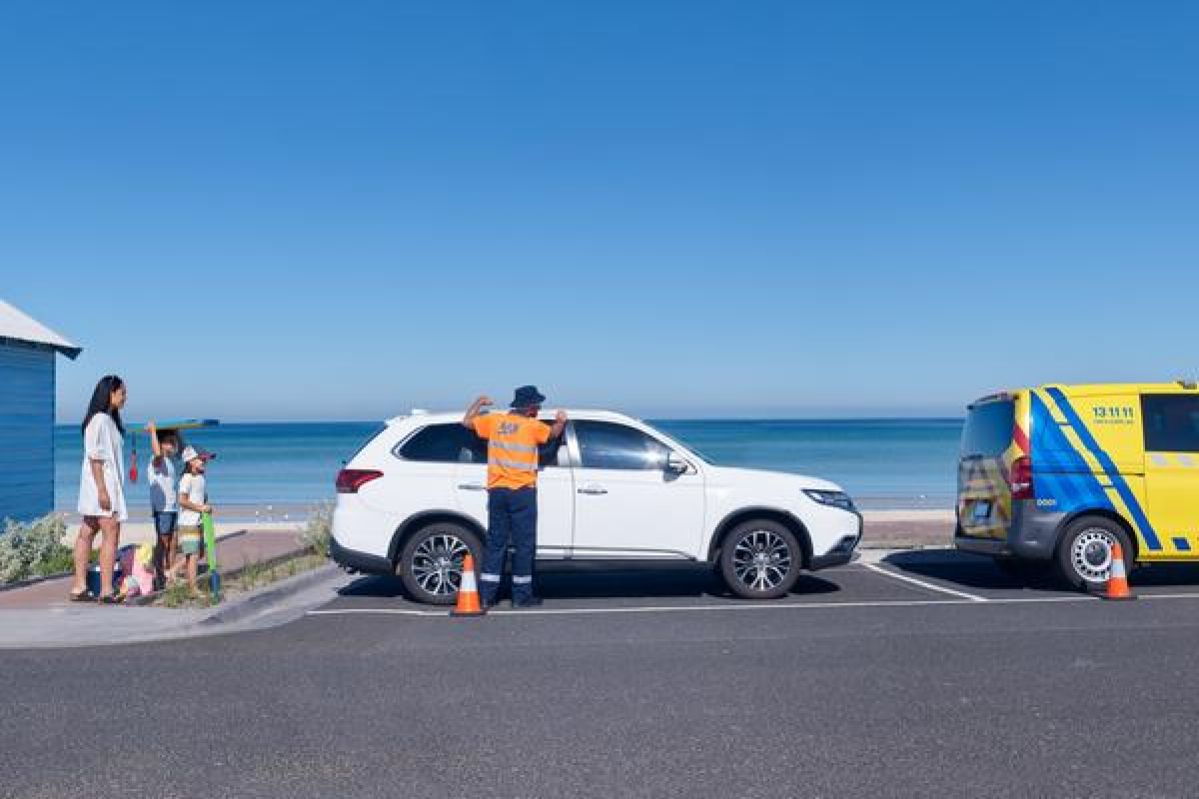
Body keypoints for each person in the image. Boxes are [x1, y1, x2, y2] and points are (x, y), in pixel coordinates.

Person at [463, 385, 567, 608]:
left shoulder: (494, 421)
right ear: (529, 408)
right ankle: (521, 596)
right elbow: (554, 434)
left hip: (497, 492)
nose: (539, 408)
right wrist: (561, 420)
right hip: (522, 493)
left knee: (495, 544)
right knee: (524, 545)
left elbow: (466, 423)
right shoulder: (532, 426)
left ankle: (486, 596)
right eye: (537, 405)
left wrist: (478, 403)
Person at [71, 375, 129, 603]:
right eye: (122, 392)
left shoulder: (104, 420)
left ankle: (80, 586)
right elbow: (96, 458)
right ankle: (105, 590)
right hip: (102, 487)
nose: (125, 397)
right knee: (110, 534)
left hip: (96, 486)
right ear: (110, 393)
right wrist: (103, 491)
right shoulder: (100, 420)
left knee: (87, 533)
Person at [145, 421, 183, 590]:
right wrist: (153, 431)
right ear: (160, 444)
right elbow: (157, 453)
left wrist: (177, 434)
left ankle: (170, 572)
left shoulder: (171, 460)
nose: (173, 444)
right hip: (162, 509)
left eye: (173, 441)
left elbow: (182, 451)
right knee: (163, 542)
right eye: (169, 441)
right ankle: (159, 575)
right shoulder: (157, 460)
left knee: (174, 542)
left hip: (173, 507)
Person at [173, 446, 213, 594]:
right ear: (191, 462)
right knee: (193, 555)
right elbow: (182, 501)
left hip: (199, 521)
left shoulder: (201, 477)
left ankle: (173, 571)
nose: (204, 462)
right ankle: (193, 588)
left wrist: (205, 505)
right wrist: (200, 508)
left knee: (198, 553)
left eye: (205, 459)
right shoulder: (186, 479)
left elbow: (201, 497)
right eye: (201, 459)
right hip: (188, 522)